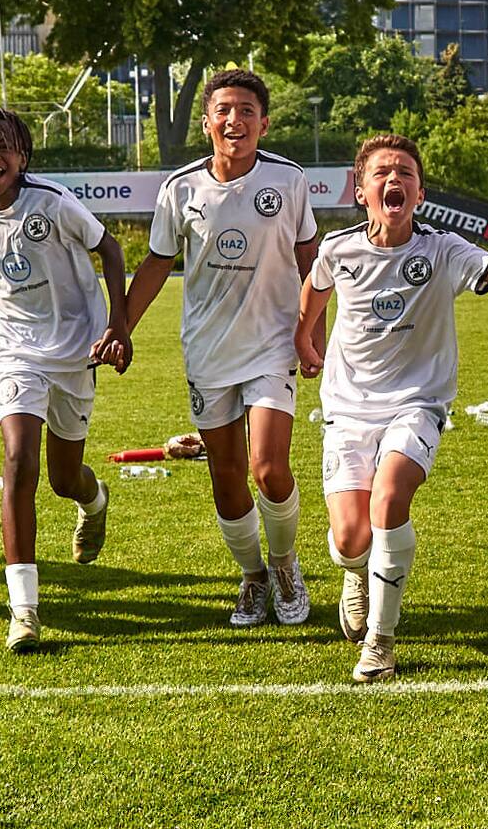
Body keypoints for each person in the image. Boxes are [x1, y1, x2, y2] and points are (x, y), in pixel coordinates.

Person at [296, 133, 488, 683]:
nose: (395, 180)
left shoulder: (441, 249)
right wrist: (305, 336)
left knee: (390, 498)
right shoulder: (338, 250)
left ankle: (381, 642)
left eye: (405, 173)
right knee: (349, 539)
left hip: (417, 402)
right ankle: (357, 574)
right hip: (347, 407)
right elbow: (315, 289)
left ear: (419, 191)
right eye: (383, 173)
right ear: (360, 191)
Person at [126, 70, 319, 627]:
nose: (235, 120)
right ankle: (253, 577)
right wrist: (123, 327)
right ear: (208, 121)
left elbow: (313, 262)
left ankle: (284, 564)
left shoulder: (288, 180)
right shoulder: (181, 188)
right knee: (226, 475)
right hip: (208, 350)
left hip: (272, 345)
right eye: (224, 110)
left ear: (264, 121)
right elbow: (159, 262)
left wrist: (311, 337)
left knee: (268, 469)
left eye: (246, 110)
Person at [0, 107, 132, 653]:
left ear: (22, 155)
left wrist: (118, 323)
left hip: (76, 350)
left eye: (3, 145)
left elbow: (110, 250)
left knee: (62, 477)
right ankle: (24, 612)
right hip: (17, 352)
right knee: (18, 462)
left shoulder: (51, 201)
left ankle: (93, 502)